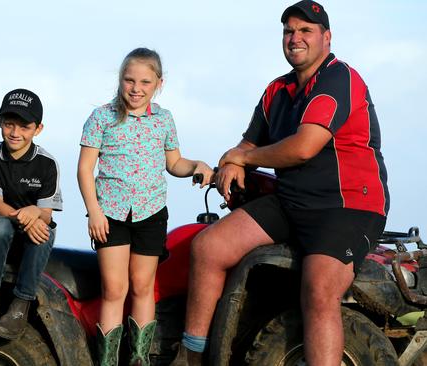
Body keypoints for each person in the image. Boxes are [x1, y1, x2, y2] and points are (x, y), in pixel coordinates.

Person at [171, 1, 390, 365]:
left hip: (346, 205)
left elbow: (304, 148)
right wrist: (232, 161)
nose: (295, 38)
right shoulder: (277, 90)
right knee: (208, 247)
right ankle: (191, 356)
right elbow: (249, 143)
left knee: (319, 288)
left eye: (306, 31)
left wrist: (245, 158)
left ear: (327, 37)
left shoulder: (339, 78)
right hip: (291, 201)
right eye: (289, 31)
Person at [77, 47, 214, 366]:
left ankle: (139, 358)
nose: (136, 88)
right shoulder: (101, 117)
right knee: (114, 289)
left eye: (144, 82)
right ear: (120, 80)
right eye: (129, 80)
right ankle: (108, 362)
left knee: (142, 287)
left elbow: (174, 163)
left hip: (151, 213)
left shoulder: (163, 119)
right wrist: (94, 212)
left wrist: (196, 165)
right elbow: (85, 169)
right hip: (110, 215)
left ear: (158, 84)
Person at [0, 88, 63, 340]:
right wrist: (27, 216)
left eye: (24, 127)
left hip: (33, 227)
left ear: (38, 129)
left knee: (45, 232)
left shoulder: (47, 163)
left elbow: (46, 213)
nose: (15, 133)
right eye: (9, 124)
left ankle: (21, 305)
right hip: (2, 223)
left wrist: (34, 213)